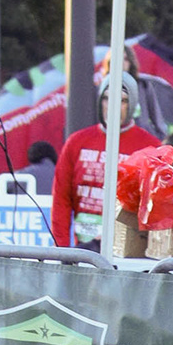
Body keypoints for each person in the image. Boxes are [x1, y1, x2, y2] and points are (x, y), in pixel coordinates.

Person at [52, 76, 160, 249]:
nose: (113, 105)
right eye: (107, 98)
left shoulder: (151, 146)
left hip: (131, 248)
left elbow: (157, 205)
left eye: (122, 100)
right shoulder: (77, 142)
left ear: (132, 104)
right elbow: (61, 199)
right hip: (86, 246)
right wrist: (62, 249)